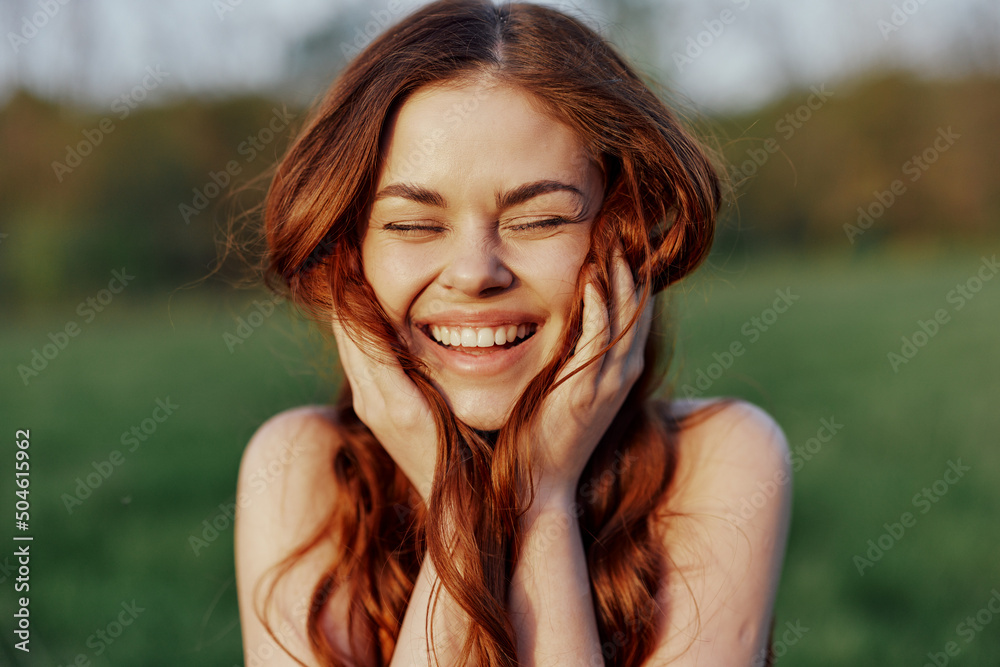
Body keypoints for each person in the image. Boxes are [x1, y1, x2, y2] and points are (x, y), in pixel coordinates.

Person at [234, 1, 791, 665]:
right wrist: (455, 503)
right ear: (352, 254)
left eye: (539, 219)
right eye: (413, 225)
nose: (474, 273)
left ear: (622, 234)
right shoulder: (300, 469)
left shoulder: (721, 460)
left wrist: (541, 495)